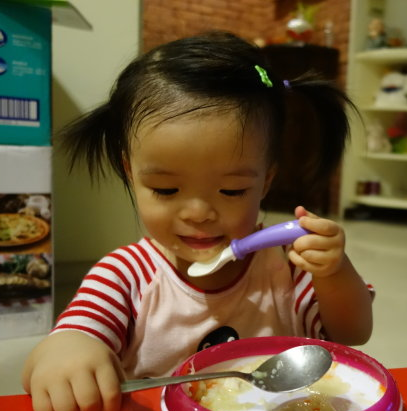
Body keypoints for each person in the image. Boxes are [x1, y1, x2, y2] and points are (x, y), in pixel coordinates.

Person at [21, 31, 373, 411]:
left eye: (232, 191)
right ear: (131, 173)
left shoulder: (285, 266)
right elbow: (77, 332)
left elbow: (352, 333)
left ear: (266, 181)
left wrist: (333, 272)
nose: (198, 213)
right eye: (166, 189)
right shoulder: (125, 275)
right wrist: (67, 349)